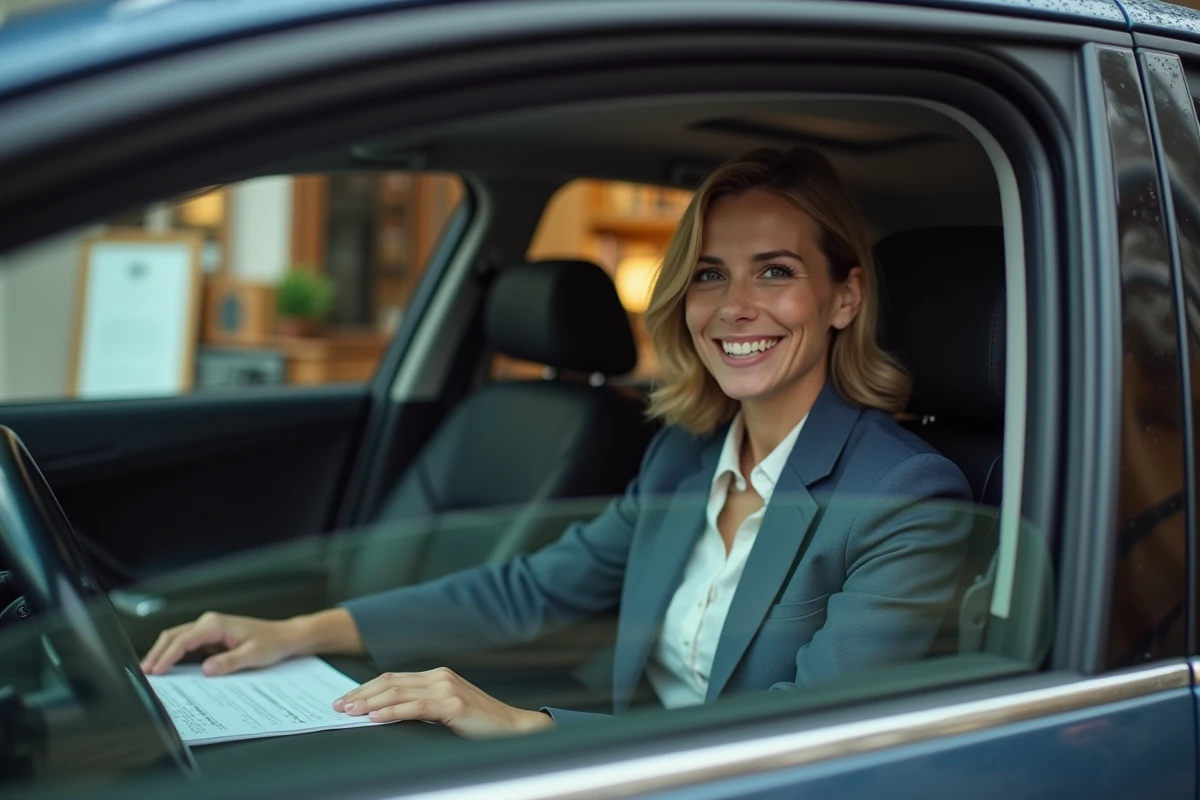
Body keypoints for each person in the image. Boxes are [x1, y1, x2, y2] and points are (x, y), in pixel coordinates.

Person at [140, 148, 972, 739]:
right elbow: (526, 591)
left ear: (843, 299)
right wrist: (300, 631)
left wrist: (524, 725)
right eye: (711, 273)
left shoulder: (903, 496)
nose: (733, 307)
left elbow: (805, 739)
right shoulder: (684, 455)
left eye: (776, 271)